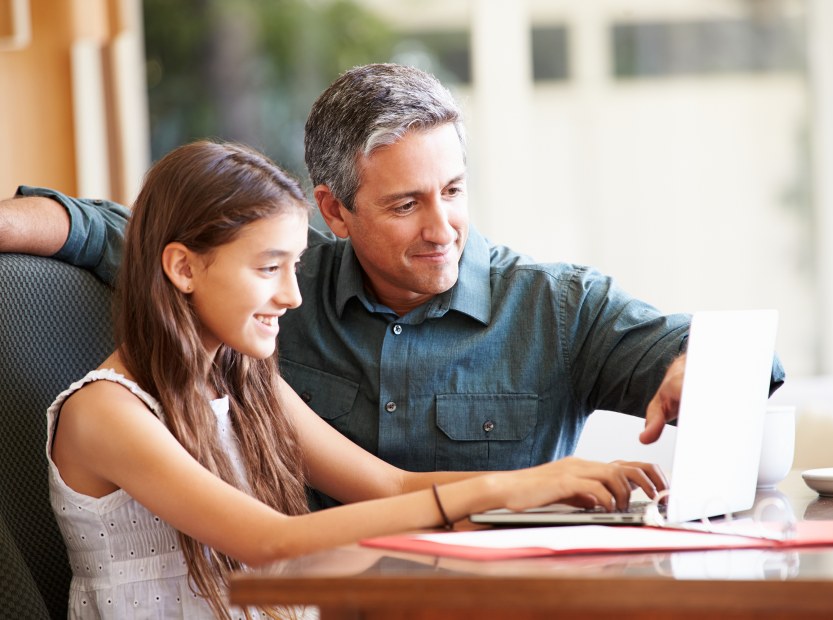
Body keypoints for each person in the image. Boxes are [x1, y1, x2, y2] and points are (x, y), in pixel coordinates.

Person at [3, 63, 784, 508]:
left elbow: (708, 352)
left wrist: (697, 365)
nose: (441, 226)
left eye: (453, 190)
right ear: (335, 211)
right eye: (407, 204)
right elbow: (106, 228)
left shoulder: (558, 305)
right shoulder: (270, 285)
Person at [47, 139, 667, 620]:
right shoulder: (106, 412)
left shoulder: (244, 383)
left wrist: (544, 488)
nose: (291, 297)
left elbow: (390, 485)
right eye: (269, 268)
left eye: (294, 267)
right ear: (182, 267)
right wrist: (498, 493)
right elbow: (270, 541)